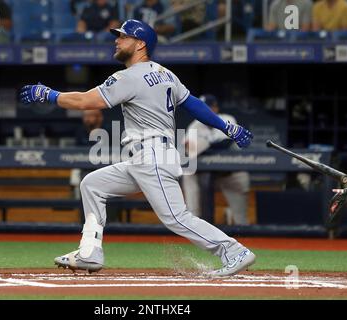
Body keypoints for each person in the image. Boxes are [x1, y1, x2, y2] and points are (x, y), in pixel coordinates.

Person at [20, 19, 255, 277]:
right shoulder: (166, 73)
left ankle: (234, 251)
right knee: (92, 184)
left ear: (140, 43)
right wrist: (226, 127)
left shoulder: (129, 76)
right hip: (146, 157)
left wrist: (49, 94)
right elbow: (193, 104)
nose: (117, 41)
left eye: (123, 36)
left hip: (152, 154)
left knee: (176, 218)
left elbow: (86, 101)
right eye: (118, 36)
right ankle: (89, 252)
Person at [182, 94, 250, 226]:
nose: (201, 112)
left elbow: (225, 143)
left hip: (230, 174)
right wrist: (207, 144)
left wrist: (203, 144)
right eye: (199, 108)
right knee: (188, 172)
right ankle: (192, 219)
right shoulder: (194, 125)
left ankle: (233, 216)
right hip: (204, 174)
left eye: (206, 108)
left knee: (242, 222)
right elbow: (189, 150)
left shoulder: (227, 119)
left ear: (215, 108)